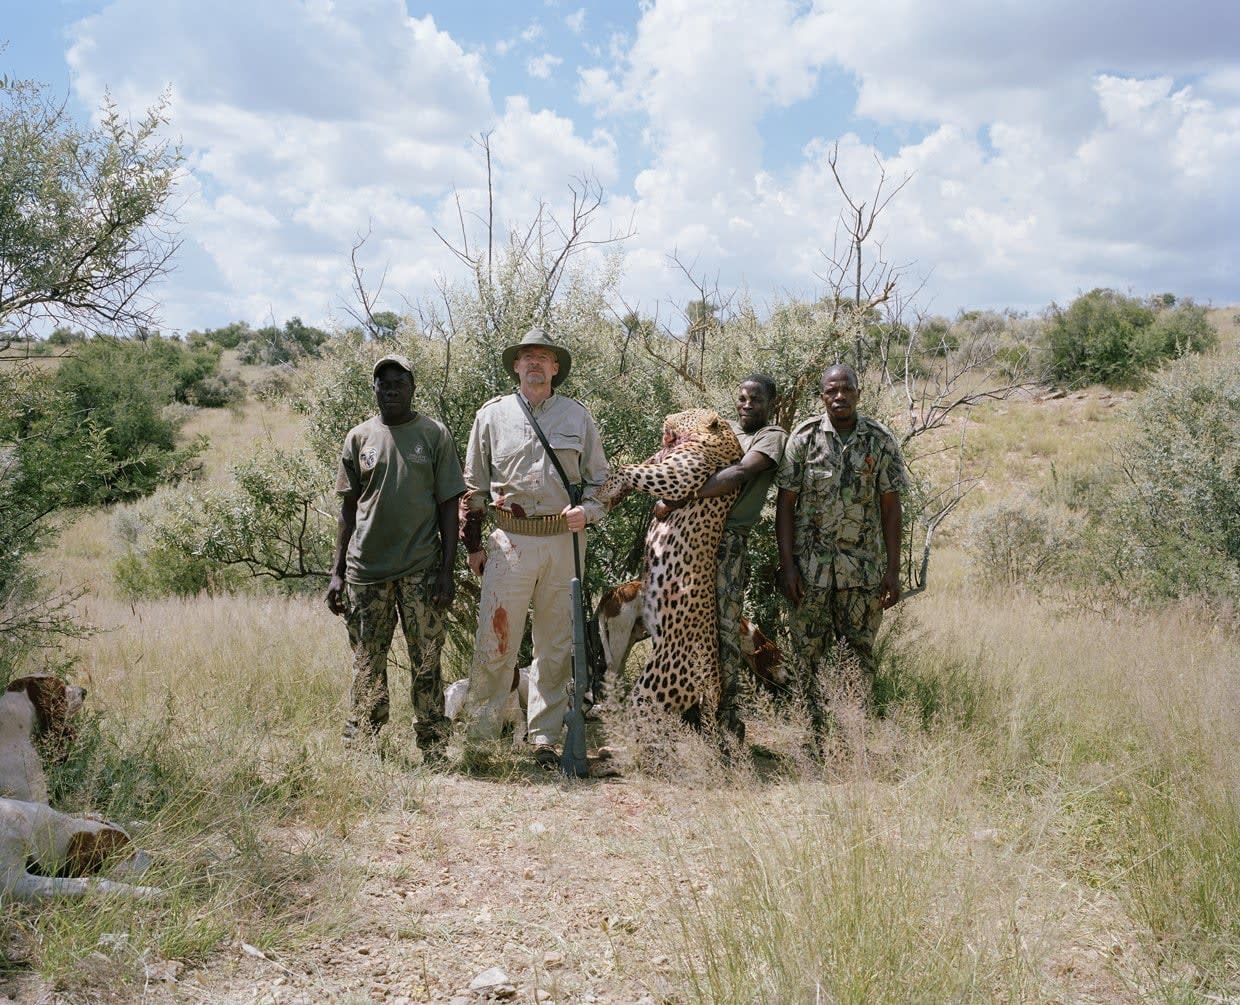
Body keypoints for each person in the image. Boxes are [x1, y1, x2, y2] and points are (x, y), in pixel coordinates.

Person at [459, 328, 608, 767]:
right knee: (496, 640)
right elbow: (472, 488)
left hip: (564, 541)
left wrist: (589, 512)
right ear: (516, 366)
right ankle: (482, 736)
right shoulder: (492, 416)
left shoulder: (578, 417)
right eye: (528, 357)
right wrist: (473, 546)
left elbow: (602, 481)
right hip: (510, 543)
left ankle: (543, 737)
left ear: (555, 367)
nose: (535, 364)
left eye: (543, 357)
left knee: (555, 646)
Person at [326, 354, 465, 765]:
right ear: (374, 389)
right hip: (366, 572)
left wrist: (447, 571)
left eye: (398, 382)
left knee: (427, 661)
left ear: (412, 388)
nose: (390, 390)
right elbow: (348, 509)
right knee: (367, 663)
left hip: (422, 570)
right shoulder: (359, 438)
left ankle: (434, 747)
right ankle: (363, 747)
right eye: (383, 383)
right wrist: (337, 573)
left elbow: (449, 505)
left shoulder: (434, 435)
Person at [775, 363, 907, 745]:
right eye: (831, 390)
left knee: (859, 657)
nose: (839, 396)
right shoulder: (804, 438)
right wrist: (788, 567)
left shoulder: (880, 439)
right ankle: (813, 739)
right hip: (810, 574)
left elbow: (891, 509)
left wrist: (893, 571)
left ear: (858, 393)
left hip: (862, 574)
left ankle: (852, 739)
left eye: (846, 389)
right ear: (822, 396)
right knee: (807, 656)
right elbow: (785, 506)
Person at [655, 375, 787, 743]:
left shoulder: (771, 437)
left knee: (724, 631)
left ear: (771, 403)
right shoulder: (721, 428)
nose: (747, 404)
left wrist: (681, 497)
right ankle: (687, 715)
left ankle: (726, 724)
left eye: (756, 399)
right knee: (683, 626)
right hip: (687, 537)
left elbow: (740, 473)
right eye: (742, 397)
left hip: (726, 542)